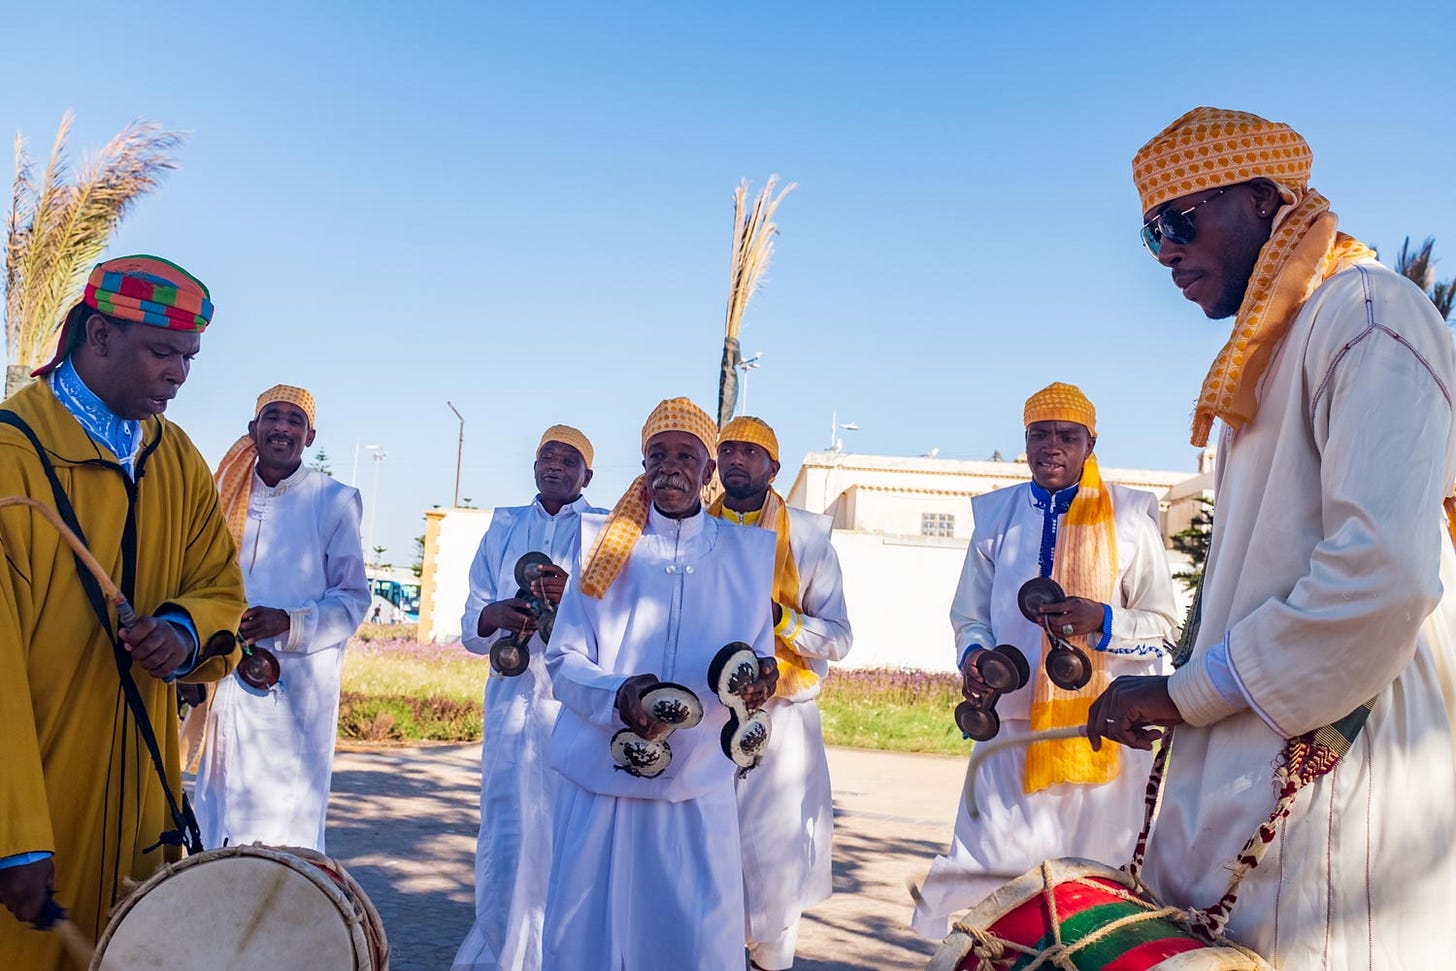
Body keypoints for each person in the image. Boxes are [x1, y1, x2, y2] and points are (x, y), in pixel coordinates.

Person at [1081, 107, 1456, 965]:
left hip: (1349, 783)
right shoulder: (1268, 358)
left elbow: (1383, 575)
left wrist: (1185, 694)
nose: (1167, 252)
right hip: (1263, 761)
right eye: (1151, 237)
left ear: (1263, 198)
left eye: (1180, 221)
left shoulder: (1367, 314)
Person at [0, 255, 246, 967]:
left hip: (142, 804)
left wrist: (182, 630)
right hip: (37, 802)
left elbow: (222, 588)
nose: (179, 373)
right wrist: (15, 832)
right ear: (99, 335)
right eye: (162, 351)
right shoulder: (13, 457)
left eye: (188, 357)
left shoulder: (178, 461)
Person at [912, 382, 1177, 939]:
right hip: (1010, 731)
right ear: (1024, 441)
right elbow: (969, 614)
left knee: (1090, 890)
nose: (1051, 447)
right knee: (989, 877)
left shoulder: (1130, 516)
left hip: (1098, 737)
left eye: (1066, 436)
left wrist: (1103, 621)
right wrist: (974, 654)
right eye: (1039, 435)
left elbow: (1164, 627)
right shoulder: (995, 517)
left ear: (1090, 443)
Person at [542, 397, 778, 970]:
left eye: (685, 455)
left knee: (696, 938)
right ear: (643, 463)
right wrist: (616, 696)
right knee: (588, 938)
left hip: (697, 785)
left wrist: (759, 683)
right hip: (601, 776)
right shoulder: (603, 544)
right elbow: (563, 657)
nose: (669, 466)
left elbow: (758, 656)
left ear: (708, 470)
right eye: (657, 454)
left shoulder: (746, 553)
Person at [188, 384, 370, 851]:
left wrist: (288, 622)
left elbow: (352, 600)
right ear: (254, 429)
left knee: (281, 825)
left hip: (295, 694)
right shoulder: (220, 496)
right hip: (226, 680)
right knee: (219, 809)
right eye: (273, 417)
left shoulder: (335, 500)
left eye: (295, 420)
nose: (282, 428)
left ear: (309, 436)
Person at [451, 424, 603, 971]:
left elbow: (615, 623)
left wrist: (573, 600)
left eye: (569, 459)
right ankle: (500, 949)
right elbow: (471, 621)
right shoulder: (503, 525)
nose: (555, 466)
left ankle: (554, 955)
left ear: (589, 474)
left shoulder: (605, 532)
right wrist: (494, 616)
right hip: (510, 704)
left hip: (568, 712)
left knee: (561, 834)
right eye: (546, 456)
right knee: (505, 829)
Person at [711, 415, 852, 971]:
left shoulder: (812, 536)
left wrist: (781, 621)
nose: (737, 460)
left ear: (774, 467)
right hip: (708, 723)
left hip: (785, 721)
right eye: (729, 450)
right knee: (707, 850)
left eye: (752, 452)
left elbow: (839, 638)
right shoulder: (695, 527)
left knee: (774, 862)